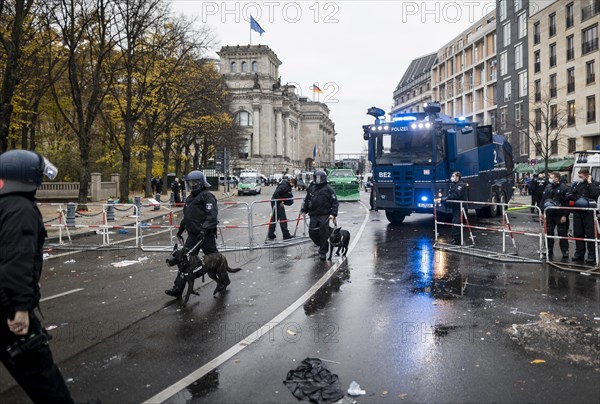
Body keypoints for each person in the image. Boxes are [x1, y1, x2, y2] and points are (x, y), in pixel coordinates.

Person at [0, 150, 74, 403]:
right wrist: (20, 308)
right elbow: (16, 262)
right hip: (8, 309)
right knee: (41, 374)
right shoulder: (21, 209)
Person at [165, 170, 219, 298]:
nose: (192, 185)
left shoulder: (207, 196)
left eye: (194, 182)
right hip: (193, 236)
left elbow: (212, 216)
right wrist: (181, 228)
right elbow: (187, 216)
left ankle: (223, 281)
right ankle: (178, 288)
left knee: (214, 261)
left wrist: (204, 229)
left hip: (206, 236)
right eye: (190, 183)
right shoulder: (190, 198)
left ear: (201, 182)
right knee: (183, 261)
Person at [301, 170, 339, 260]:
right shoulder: (312, 188)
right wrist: (304, 210)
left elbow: (335, 202)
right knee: (312, 233)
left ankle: (323, 252)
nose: (318, 180)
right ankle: (321, 244)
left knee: (323, 234)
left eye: (320, 178)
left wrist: (333, 214)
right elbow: (307, 200)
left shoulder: (328, 189)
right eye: (317, 178)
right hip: (313, 214)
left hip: (324, 215)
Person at [566, 168, 600, 264]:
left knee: (590, 235)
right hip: (578, 212)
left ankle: (591, 256)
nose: (579, 177)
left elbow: (595, 193)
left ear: (586, 175)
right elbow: (569, 195)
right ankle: (579, 254)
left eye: (581, 176)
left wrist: (589, 182)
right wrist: (580, 199)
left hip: (589, 213)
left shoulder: (595, 184)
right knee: (578, 234)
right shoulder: (578, 184)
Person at [540, 172, 570, 259]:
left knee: (562, 233)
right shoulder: (548, 187)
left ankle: (565, 251)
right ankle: (548, 250)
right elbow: (543, 200)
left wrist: (565, 215)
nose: (550, 178)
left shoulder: (564, 188)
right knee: (549, 232)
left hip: (560, 215)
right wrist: (541, 212)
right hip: (549, 214)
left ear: (557, 178)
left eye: (552, 177)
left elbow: (567, 203)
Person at [440, 171, 467, 245]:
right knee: (455, 223)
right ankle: (456, 239)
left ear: (457, 177)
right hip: (455, 208)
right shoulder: (454, 185)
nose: (452, 177)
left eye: (453, 176)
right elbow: (451, 195)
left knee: (456, 223)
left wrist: (446, 198)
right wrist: (445, 202)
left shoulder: (460, 185)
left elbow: (455, 195)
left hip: (460, 208)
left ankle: (458, 241)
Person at [267, 175, 295, 241]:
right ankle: (286, 235)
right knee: (283, 218)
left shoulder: (285, 184)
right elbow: (276, 194)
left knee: (275, 218)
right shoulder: (284, 185)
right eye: (291, 180)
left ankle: (271, 234)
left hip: (276, 201)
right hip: (277, 202)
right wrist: (281, 201)